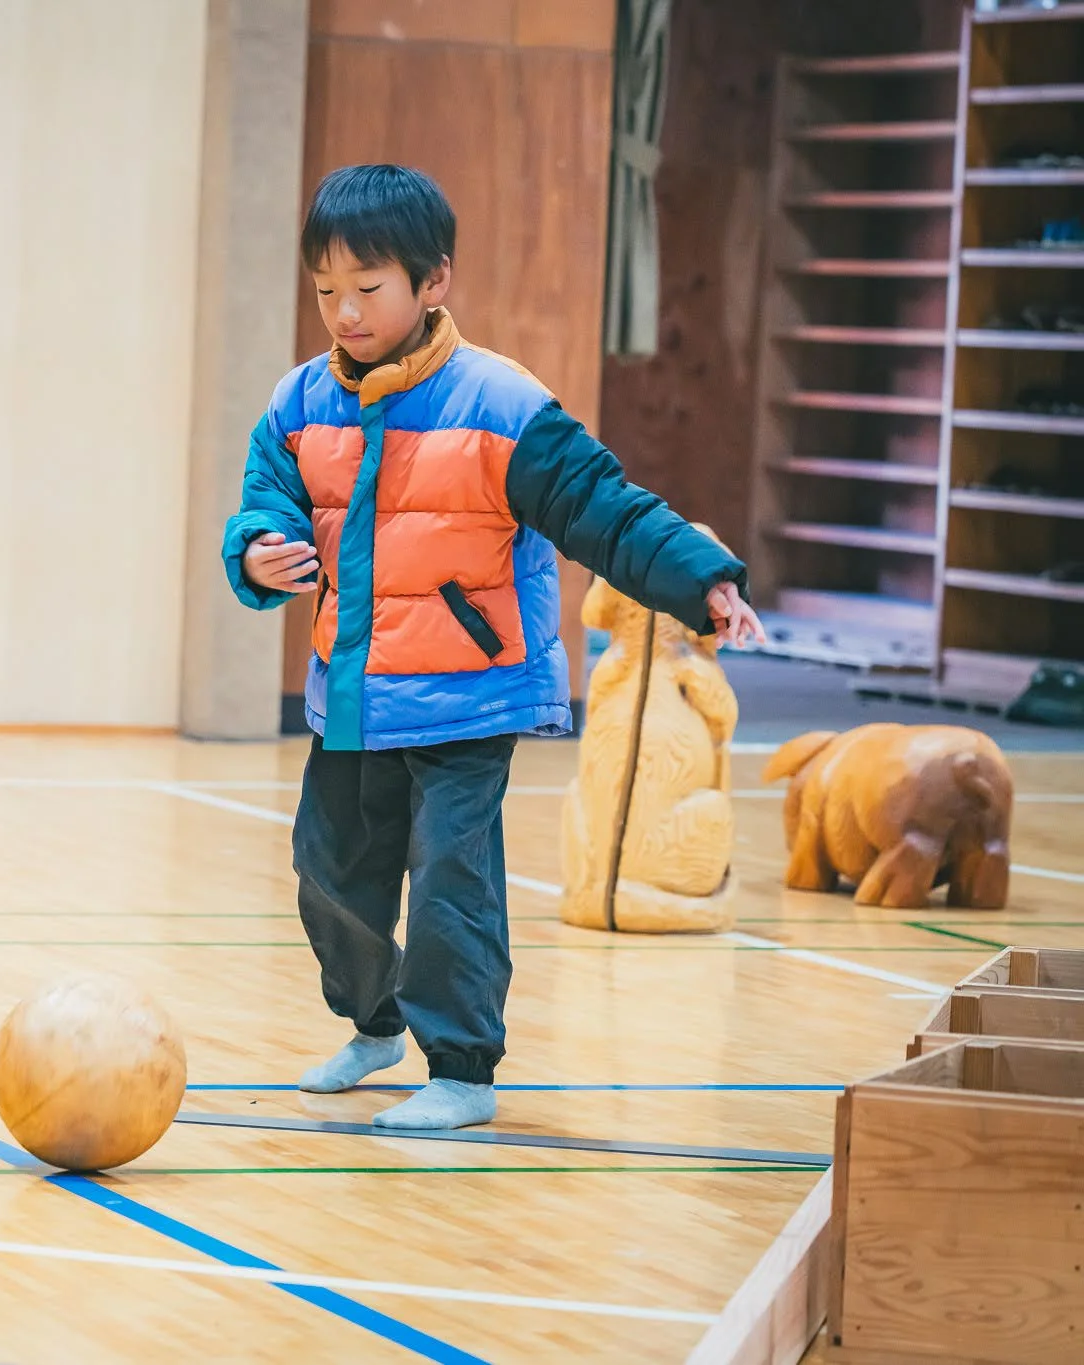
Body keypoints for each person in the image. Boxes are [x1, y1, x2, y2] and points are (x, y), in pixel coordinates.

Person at [223, 163, 766, 1130]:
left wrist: (703, 579)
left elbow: (605, 506)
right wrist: (257, 549)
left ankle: (463, 1068)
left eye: (367, 289)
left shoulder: (501, 404)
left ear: (435, 281)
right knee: (328, 873)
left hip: (470, 698)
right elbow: (267, 497)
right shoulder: (299, 401)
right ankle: (375, 1023)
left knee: (450, 881)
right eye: (325, 293)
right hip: (351, 696)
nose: (344, 313)